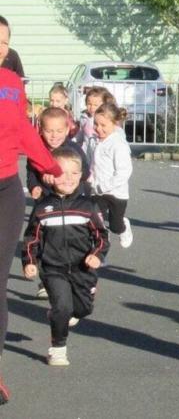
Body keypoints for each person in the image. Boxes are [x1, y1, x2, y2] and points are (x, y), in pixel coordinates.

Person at [0, 35, 63, 401]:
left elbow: (24, 129)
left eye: (4, 42)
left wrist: (48, 165)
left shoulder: (10, 84)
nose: (0, 48)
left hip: (6, 188)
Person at [22, 148, 109, 367]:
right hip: (53, 269)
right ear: (50, 175)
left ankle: (63, 313)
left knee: (82, 309)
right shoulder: (43, 207)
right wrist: (30, 262)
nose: (68, 178)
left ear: (81, 175)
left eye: (73, 173)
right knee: (62, 307)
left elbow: (101, 236)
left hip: (83, 269)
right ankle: (58, 349)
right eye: (62, 173)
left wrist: (97, 255)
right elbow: (32, 238)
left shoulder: (87, 207)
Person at [27, 107, 90, 300]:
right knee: (44, 241)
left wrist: (65, 177)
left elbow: (85, 172)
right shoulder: (37, 149)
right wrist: (35, 186)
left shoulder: (73, 149)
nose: (54, 136)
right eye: (49, 131)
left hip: (72, 205)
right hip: (46, 204)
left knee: (73, 242)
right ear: (41, 129)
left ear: (67, 129)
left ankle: (81, 279)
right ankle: (47, 281)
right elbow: (31, 171)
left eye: (59, 131)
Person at [91, 103, 133, 249]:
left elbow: (124, 172)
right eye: (96, 124)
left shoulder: (118, 144)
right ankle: (101, 246)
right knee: (97, 222)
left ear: (115, 124)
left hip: (116, 193)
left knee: (115, 225)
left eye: (103, 125)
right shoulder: (96, 140)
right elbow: (94, 164)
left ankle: (123, 227)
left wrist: (105, 185)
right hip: (97, 191)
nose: (98, 128)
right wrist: (90, 179)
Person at [74, 86, 116, 166]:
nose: (92, 107)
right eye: (89, 104)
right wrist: (73, 141)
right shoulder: (84, 117)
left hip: (103, 153)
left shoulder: (107, 119)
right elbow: (81, 133)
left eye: (96, 105)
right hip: (87, 151)